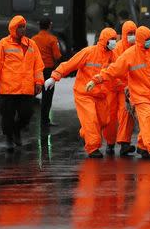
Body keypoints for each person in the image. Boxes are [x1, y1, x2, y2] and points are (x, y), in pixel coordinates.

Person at [87, 26, 150, 161]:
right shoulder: (129, 54)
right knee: (146, 120)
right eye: (146, 39)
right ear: (140, 40)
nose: (149, 41)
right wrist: (97, 79)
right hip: (140, 95)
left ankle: (142, 146)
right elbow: (113, 70)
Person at [44, 28, 118, 158]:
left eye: (114, 40)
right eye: (111, 40)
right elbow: (70, 64)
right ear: (104, 40)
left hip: (101, 95)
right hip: (84, 94)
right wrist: (54, 77)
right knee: (91, 120)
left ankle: (86, 132)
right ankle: (93, 148)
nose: (114, 42)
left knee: (104, 121)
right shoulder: (88, 52)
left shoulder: (113, 56)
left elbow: (119, 70)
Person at [0, 15, 45, 151]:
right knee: (7, 115)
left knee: (27, 114)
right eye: (19, 27)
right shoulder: (3, 43)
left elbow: (38, 66)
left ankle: (16, 130)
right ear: (13, 29)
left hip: (26, 88)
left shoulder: (32, 44)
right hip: (9, 88)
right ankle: (9, 137)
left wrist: (38, 82)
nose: (22, 29)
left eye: (24, 27)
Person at [111, 20, 138, 156]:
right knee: (116, 115)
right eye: (129, 33)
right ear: (123, 34)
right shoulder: (117, 49)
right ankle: (115, 143)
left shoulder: (138, 47)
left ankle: (124, 143)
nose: (132, 36)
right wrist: (123, 85)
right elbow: (113, 70)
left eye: (134, 33)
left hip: (132, 88)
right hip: (119, 87)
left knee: (127, 114)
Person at [31, 17, 62, 127]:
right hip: (48, 71)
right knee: (47, 97)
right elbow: (57, 56)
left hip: (36, 71)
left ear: (39, 25)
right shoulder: (52, 39)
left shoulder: (33, 39)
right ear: (49, 25)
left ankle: (25, 120)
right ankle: (45, 121)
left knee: (31, 95)